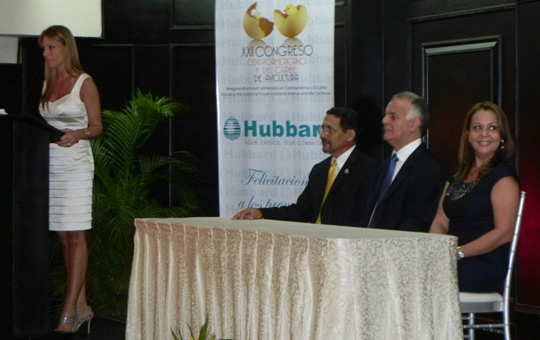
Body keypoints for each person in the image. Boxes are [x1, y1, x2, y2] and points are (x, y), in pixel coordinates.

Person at [38, 25, 102, 333]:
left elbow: (97, 126)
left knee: (76, 235)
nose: (45, 54)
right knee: (63, 236)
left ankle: (68, 311)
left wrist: (80, 133)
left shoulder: (84, 82)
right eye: (44, 49)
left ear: (66, 48)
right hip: (50, 164)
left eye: (50, 48)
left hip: (75, 163)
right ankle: (81, 305)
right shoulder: (48, 83)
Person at [232, 107, 379, 226]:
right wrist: (261, 213)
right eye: (322, 129)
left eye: (330, 130)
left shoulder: (368, 170)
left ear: (350, 135)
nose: (323, 135)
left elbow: (366, 220)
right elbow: (302, 212)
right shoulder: (320, 170)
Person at [430, 101, 519, 292]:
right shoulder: (456, 175)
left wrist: (459, 253)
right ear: (468, 136)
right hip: (452, 260)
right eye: (477, 128)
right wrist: (436, 252)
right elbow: (440, 222)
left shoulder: (503, 176)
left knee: (424, 284)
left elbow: (503, 233)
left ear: (502, 137)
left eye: (492, 128)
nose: (484, 134)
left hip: (483, 264)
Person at [364, 91, 446, 232]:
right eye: (385, 115)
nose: (384, 121)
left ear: (413, 124)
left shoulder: (429, 170)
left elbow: (419, 222)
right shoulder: (384, 167)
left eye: (393, 117)